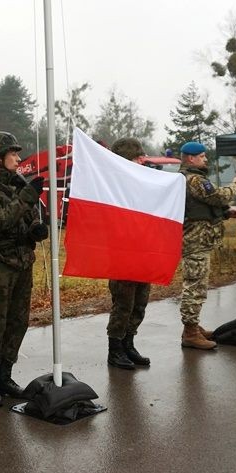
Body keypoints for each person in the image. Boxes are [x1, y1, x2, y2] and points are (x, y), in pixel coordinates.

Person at [0, 131, 49, 406]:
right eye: (13, 154)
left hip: (22, 261)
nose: (18, 158)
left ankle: (5, 375)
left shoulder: (17, 183)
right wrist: (27, 196)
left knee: (18, 321)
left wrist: (36, 229)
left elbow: (24, 218)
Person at [178, 141, 236, 349]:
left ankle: (193, 327)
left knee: (198, 285)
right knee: (195, 287)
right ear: (191, 158)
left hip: (200, 239)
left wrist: (226, 213)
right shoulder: (195, 179)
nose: (206, 159)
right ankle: (190, 333)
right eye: (202, 156)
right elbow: (217, 196)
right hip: (195, 241)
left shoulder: (192, 179)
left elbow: (202, 208)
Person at [106, 137, 153, 370]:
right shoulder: (111, 186)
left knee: (140, 302)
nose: (142, 161)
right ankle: (115, 349)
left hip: (142, 250)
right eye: (137, 158)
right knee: (123, 304)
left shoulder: (143, 182)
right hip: (122, 253)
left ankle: (128, 343)